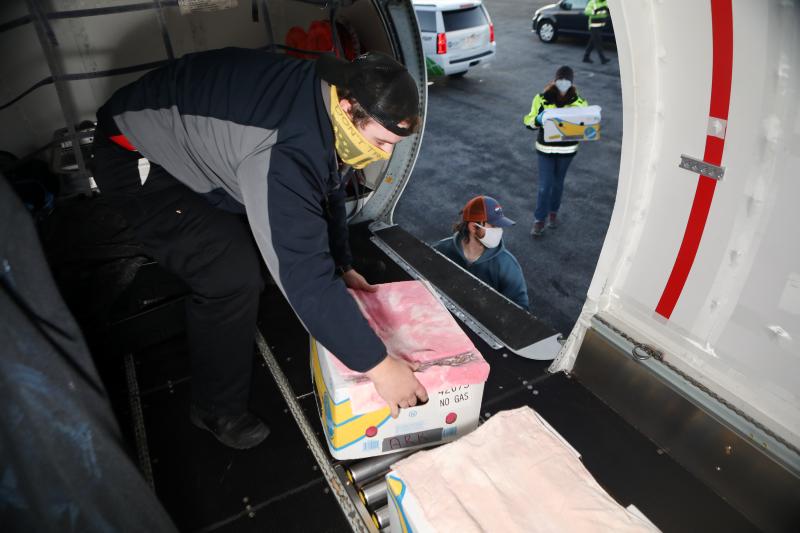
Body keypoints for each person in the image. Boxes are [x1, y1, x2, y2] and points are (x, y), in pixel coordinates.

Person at [92, 48, 428, 449]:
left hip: (190, 140)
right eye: (381, 141)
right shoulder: (284, 147)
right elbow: (301, 274)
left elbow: (329, 183)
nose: (385, 154)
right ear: (348, 107)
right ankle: (214, 409)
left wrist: (341, 263)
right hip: (136, 154)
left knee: (266, 224)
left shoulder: (330, 95)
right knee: (231, 275)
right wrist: (379, 366)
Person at [522, 65, 588, 237]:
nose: (563, 83)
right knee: (545, 186)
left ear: (571, 83)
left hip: (567, 152)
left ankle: (553, 213)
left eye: (567, 80)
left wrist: (591, 120)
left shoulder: (580, 102)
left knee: (558, 184)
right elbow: (528, 120)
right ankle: (539, 220)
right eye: (560, 79)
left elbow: (586, 125)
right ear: (555, 80)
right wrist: (537, 119)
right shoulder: (542, 99)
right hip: (545, 150)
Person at [433, 196, 529, 309]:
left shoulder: (507, 265)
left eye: (499, 226)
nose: (499, 231)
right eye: (493, 226)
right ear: (473, 227)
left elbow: (521, 311)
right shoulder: (441, 250)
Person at [582, 0, 610, 64]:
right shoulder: (592, 2)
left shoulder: (606, 2)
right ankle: (602, 59)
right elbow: (586, 12)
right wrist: (596, 11)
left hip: (601, 24)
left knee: (592, 42)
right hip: (593, 25)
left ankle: (585, 57)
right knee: (598, 41)